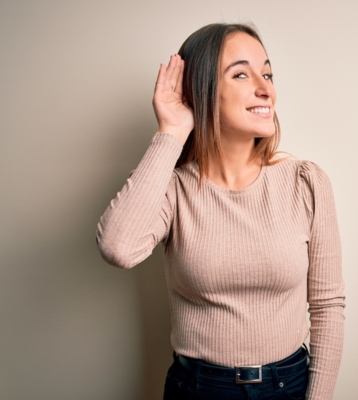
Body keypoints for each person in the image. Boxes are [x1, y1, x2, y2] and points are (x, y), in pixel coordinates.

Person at [96, 23, 345, 400]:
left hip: (288, 385)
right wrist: (172, 131)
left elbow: (328, 306)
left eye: (268, 73)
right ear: (202, 91)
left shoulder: (306, 182)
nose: (266, 88)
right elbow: (118, 247)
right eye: (242, 74)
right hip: (197, 389)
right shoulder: (172, 189)